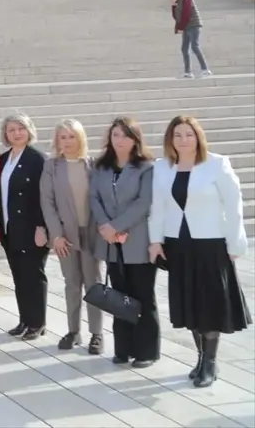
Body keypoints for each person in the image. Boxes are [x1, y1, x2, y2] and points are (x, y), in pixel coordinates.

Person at [148, 116, 250, 388]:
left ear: (198, 137)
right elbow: (158, 206)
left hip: (210, 244)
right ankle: (201, 356)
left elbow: (234, 205)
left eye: (188, 134)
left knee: (209, 303)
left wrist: (235, 242)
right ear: (170, 139)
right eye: (177, 135)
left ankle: (211, 362)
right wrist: (155, 240)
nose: (183, 140)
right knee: (189, 303)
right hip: (177, 245)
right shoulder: (162, 167)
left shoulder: (216, 164)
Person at [90, 117, 159, 367]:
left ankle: (146, 351)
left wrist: (118, 226)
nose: (120, 140)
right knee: (120, 297)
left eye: (125, 135)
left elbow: (144, 202)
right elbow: (94, 198)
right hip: (111, 242)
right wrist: (107, 227)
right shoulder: (101, 167)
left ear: (135, 140)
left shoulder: (146, 167)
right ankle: (123, 348)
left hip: (138, 240)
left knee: (142, 296)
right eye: (116, 135)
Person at [40, 119, 104, 355]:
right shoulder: (52, 166)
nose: (67, 142)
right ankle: (73, 331)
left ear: (80, 138)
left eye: (71, 136)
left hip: (91, 232)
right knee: (72, 283)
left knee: (93, 283)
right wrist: (55, 235)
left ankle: (97, 334)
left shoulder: (93, 165)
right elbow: (47, 202)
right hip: (65, 235)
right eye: (62, 137)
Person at [0, 112, 48, 340]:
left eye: (21, 129)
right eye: (11, 130)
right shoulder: (3, 159)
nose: (16, 134)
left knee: (33, 276)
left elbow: (44, 196)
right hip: (9, 227)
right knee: (19, 275)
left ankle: (37, 323)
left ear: (29, 131)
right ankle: (24, 320)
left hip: (32, 228)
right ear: (5, 134)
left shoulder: (37, 159)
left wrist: (42, 226)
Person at [169, 0, 211, 79]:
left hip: (193, 25)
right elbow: (176, 17)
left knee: (194, 46)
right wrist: (173, 6)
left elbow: (186, 14)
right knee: (184, 48)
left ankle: (205, 70)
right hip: (186, 27)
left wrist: (181, 27)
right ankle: (188, 72)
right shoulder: (178, 2)